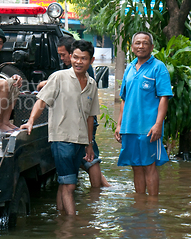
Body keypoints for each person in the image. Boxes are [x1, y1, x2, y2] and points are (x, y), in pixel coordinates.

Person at [20, 40, 100, 215]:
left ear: (91, 61)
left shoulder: (92, 85)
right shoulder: (58, 77)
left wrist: (90, 143)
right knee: (70, 184)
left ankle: (60, 218)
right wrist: (31, 120)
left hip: (80, 141)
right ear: (71, 57)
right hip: (61, 138)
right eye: (76, 57)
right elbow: (41, 101)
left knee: (65, 183)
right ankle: (72, 223)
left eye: (84, 59)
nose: (79, 62)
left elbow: (90, 117)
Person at [37, 36, 110, 188]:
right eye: (71, 57)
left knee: (91, 158)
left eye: (63, 54)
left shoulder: (83, 72)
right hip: (72, 127)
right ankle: (100, 192)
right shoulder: (66, 72)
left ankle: (98, 193)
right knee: (73, 176)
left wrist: (46, 82)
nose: (63, 58)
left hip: (82, 121)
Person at [115, 31, 172, 196]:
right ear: (132, 47)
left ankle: (152, 208)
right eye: (137, 43)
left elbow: (164, 97)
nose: (141, 46)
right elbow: (124, 99)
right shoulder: (130, 68)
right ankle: (140, 205)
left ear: (152, 47)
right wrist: (119, 125)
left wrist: (158, 124)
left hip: (148, 128)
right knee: (136, 166)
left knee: (149, 166)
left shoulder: (158, 67)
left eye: (145, 43)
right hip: (129, 128)